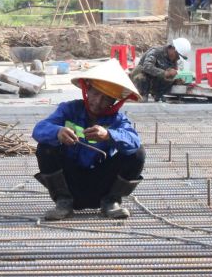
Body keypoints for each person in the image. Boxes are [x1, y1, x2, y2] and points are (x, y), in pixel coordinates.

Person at [32, 59, 145, 220]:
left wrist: (108, 135)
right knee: (45, 147)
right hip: (70, 184)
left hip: (102, 186)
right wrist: (57, 132)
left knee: (137, 153)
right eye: (95, 93)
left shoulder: (118, 120)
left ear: (115, 102)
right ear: (87, 89)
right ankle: (63, 202)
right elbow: (39, 129)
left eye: (106, 98)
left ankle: (112, 201)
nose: (98, 102)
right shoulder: (69, 109)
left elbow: (134, 141)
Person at [129, 38, 191, 102]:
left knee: (170, 77)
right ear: (173, 49)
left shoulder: (173, 60)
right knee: (142, 76)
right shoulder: (156, 51)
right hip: (141, 80)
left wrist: (176, 80)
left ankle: (158, 94)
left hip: (154, 82)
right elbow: (147, 66)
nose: (177, 59)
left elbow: (170, 75)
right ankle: (142, 94)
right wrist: (165, 73)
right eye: (177, 56)